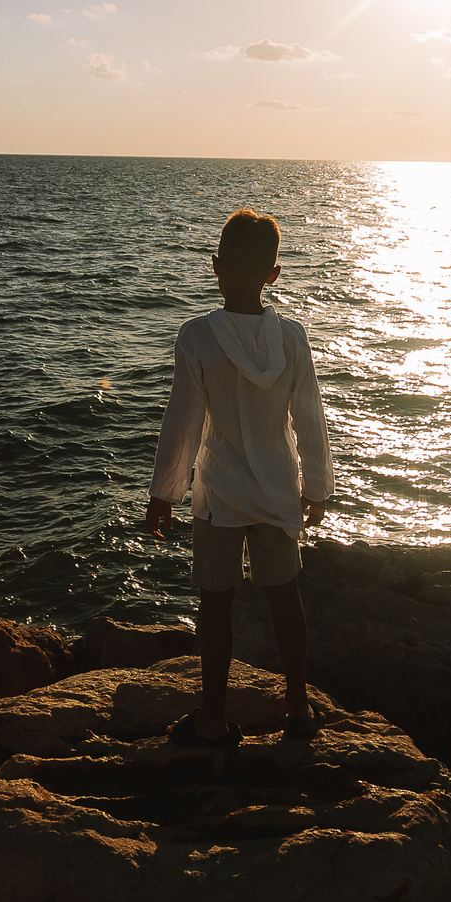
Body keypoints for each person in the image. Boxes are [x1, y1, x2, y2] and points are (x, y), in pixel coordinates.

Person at [144, 206, 331, 744]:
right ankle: (297, 708)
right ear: (273, 274)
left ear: (216, 266)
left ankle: (212, 720)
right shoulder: (292, 338)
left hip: (220, 493)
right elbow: (311, 417)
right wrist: (317, 487)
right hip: (278, 490)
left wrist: (164, 493)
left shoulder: (197, 336)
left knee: (216, 606)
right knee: (285, 601)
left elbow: (183, 421)